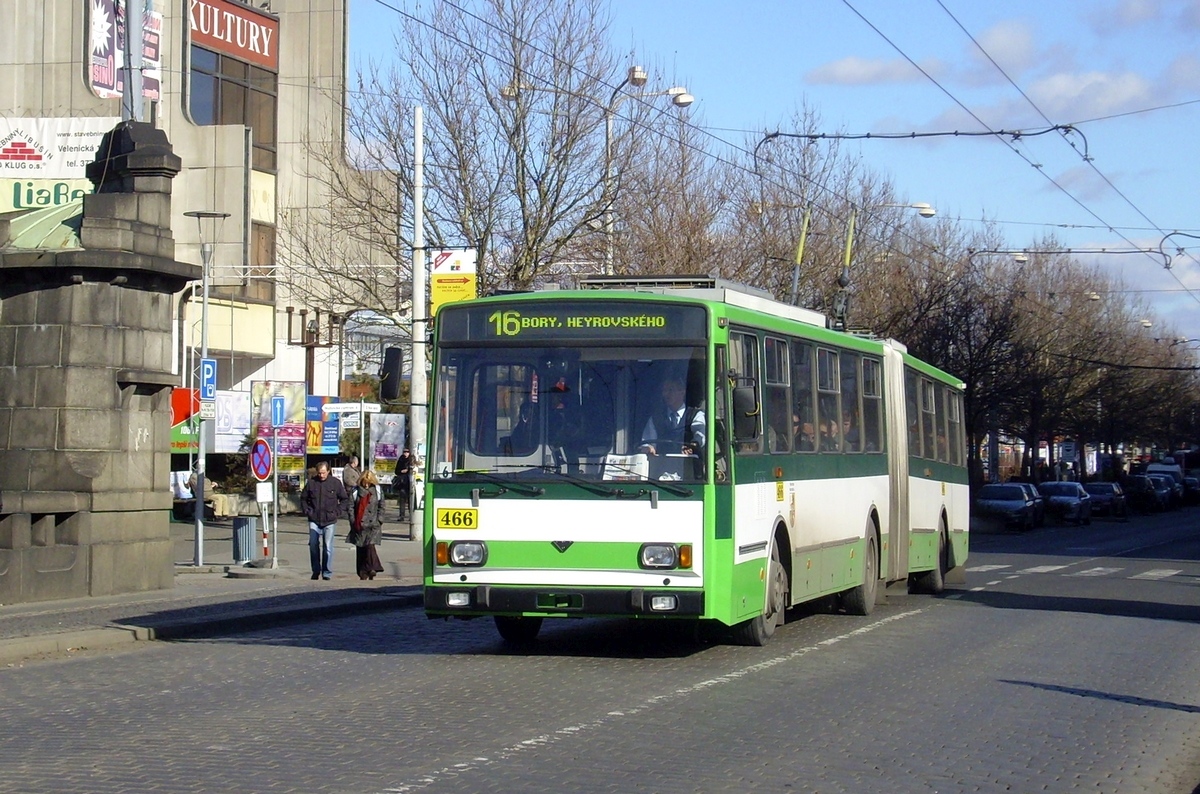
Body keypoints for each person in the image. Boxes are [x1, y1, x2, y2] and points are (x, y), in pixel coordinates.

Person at [300, 461, 347, 580]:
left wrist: (337, 512)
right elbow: (303, 499)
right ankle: (316, 570)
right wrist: (307, 511)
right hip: (314, 519)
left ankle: (326, 572)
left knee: (328, 547)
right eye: (319, 473)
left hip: (329, 520)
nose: (321, 475)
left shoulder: (335, 483)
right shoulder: (311, 483)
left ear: (328, 471)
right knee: (313, 545)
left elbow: (344, 500)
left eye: (323, 473)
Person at [639, 376, 705, 456]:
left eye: (670, 390)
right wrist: (648, 448)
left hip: (688, 465)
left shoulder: (695, 415)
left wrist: (693, 445)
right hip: (661, 465)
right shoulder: (655, 418)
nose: (666, 394)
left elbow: (701, 435)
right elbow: (648, 440)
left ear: (682, 392)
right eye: (664, 390)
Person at [347, 469, 386, 580]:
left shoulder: (377, 491)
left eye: (369, 483)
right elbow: (350, 507)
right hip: (359, 524)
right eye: (365, 482)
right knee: (361, 548)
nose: (367, 485)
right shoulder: (355, 491)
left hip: (373, 524)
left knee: (370, 546)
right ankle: (363, 572)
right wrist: (353, 521)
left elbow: (382, 506)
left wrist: (379, 520)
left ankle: (372, 568)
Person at [395, 448, 413, 520]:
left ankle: (411, 516)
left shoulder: (411, 460)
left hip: (410, 482)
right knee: (402, 499)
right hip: (402, 482)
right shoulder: (401, 459)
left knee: (410, 500)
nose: (405, 453)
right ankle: (402, 516)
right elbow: (396, 471)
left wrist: (408, 470)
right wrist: (401, 471)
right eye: (404, 452)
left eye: (407, 452)